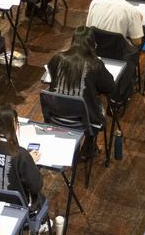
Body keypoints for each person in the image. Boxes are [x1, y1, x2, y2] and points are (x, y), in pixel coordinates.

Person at [47, 26, 114, 157]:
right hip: (84, 121)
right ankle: (89, 147)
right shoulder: (95, 64)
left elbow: (53, 77)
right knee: (97, 102)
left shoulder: (57, 58)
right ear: (92, 44)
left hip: (56, 115)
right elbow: (110, 87)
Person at [0, 105, 44, 213]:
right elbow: (36, 186)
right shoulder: (21, 154)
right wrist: (30, 162)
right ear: (14, 123)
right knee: (41, 198)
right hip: (18, 208)